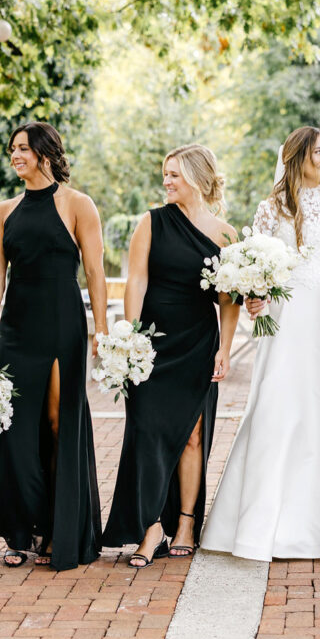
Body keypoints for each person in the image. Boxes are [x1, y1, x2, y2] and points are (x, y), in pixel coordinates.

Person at [201, 126, 320, 560]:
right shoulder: (272, 209)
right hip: (287, 322)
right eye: (318, 152)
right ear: (296, 157)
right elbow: (259, 269)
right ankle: (267, 524)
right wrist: (256, 296)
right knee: (279, 409)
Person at [102, 144, 240, 567]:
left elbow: (229, 298)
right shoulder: (151, 222)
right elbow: (136, 282)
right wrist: (130, 339)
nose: (167, 181)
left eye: (175, 175)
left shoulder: (226, 234)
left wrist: (225, 349)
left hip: (198, 341)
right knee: (146, 433)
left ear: (197, 177)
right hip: (152, 344)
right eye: (166, 174)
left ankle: (184, 524)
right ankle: (149, 528)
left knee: (192, 436)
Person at [0, 122, 107, 571]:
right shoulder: (4, 210)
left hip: (61, 323)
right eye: (12, 149)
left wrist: (101, 329)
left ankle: (57, 528)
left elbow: (94, 271)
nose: (15, 156)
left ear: (45, 154)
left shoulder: (77, 204)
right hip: (17, 326)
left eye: (23, 149)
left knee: (55, 422)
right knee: (14, 426)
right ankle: (20, 530)